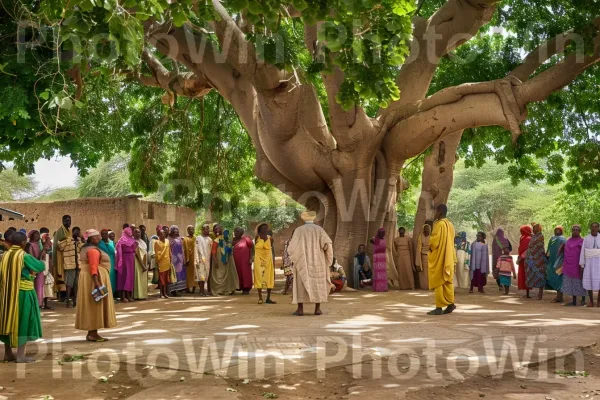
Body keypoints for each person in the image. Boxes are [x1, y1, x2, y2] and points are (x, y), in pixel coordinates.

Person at [0, 231, 46, 363]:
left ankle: (8, 353)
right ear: (23, 243)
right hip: (23, 293)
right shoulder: (23, 256)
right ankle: (20, 355)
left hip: (6, 294)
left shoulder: (4, 255)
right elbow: (39, 266)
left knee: (8, 321)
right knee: (23, 322)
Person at [287, 211, 333, 316]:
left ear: (303, 219)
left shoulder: (299, 230)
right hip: (318, 262)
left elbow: (291, 248)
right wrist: (328, 260)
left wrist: (294, 258)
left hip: (302, 261)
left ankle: (300, 309)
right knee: (318, 284)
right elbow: (327, 245)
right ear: (314, 218)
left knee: (300, 284)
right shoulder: (320, 230)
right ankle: (317, 309)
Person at [75, 229, 117, 342]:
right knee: (95, 305)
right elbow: (93, 267)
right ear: (91, 238)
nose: (99, 238)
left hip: (87, 278)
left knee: (90, 305)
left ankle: (91, 332)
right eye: (97, 237)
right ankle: (93, 333)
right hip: (93, 279)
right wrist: (97, 283)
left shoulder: (85, 248)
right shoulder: (93, 250)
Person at [427, 204, 457, 315]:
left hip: (440, 257)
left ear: (439, 213)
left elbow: (434, 242)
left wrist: (429, 242)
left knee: (438, 281)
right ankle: (450, 304)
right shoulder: (450, 224)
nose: (433, 214)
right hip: (449, 256)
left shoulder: (439, 224)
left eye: (435, 211)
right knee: (447, 281)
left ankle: (439, 307)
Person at [209, 225, 239, 296]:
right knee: (218, 274)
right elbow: (213, 252)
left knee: (226, 274)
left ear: (222, 229)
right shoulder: (216, 240)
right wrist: (215, 261)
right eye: (215, 229)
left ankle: (225, 290)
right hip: (218, 260)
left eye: (218, 229)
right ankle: (218, 290)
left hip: (225, 260)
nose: (216, 230)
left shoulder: (226, 239)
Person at [561, 225, 586, 306]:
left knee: (581, 281)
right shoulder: (568, 241)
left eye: (577, 230)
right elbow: (564, 252)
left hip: (578, 265)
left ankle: (583, 300)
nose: (575, 231)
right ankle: (574, 300)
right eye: (574, 230)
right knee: (571, 282)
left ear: (579, 231)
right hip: (568, 265)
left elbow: (584, 253)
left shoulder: (582, 241)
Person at [58, 226, 82, 308]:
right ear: (73, 232)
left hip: (78, 265)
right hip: (69, 265)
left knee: (76, 284)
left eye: (78, 232)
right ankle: (68, 301)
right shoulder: (68, 240)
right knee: (69, 284)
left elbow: (82, 249)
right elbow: (60, 247)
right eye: (76, 232)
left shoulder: (79, 241)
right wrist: (69, 241)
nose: (77, 233)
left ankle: (75, 301)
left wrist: (81, 240)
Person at [254, 223, 276, 304]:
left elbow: (271, 250)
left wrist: (273, 260)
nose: (265, 229)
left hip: (268, 260)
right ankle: (260, 298)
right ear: (260, 229)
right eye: (263, 228)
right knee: (258, 277)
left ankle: (268, 298)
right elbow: (254, 249)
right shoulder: (257, 238)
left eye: (266, 228)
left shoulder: (270, 239)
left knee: (269, 278)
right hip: (258, 260)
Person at [27, 230, 48, 309]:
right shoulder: (30, 245)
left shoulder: (38, 245)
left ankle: (39, 304)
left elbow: (42, 257)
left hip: (39, 269)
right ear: (32, 236)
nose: (38, 236)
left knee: (40, 287)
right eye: (36, 235)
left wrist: (44, 250)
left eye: (39, 235)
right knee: (35, 287)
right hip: (34, 270)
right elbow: (32, 259)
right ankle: (35, 305)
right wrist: (42, 251)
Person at [116, 227, 137, 303]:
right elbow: (118, 251)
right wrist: (119, 261)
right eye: (130, 231)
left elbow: (134, 250)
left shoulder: (132, 241)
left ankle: (128, 295)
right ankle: (123, 296)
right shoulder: (121, 241)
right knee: (123, 277)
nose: (131, 232)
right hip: (124, 261)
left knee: (129, 277)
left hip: (130, 260)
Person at [581, 222, 600, 307]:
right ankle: (591, 301)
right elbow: (583, 252)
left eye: (596, 227)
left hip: (599, 262)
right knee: (589, 281)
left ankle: (599, 301)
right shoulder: (586, 238)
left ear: (598, 228)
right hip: (589, 262)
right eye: (592, 227)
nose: (594, 228)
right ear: (590, 228)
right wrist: (582, 264)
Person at [52, 215, 71, 300]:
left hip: (67, 257)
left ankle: (66, 295)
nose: (68, 222)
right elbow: (60, 244)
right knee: (61, 275)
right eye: (66, 221)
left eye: (69, 221)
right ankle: (61, 295)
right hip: (60, 257)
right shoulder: (60, 231)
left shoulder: (68, 230)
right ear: (62, 221)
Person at [525, 223, 546, 300]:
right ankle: (529, 293)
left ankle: (540, 294)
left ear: (539, 229)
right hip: (531, 259)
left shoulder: (540, 236)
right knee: (531, 275)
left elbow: (540, 247)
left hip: (539, 259)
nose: (533, 229)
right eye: (533, 228)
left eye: (535, 228)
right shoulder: (533, 237)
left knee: (540, 276)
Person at [546, 226, 567, 303]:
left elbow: (566, 250)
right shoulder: (552, 239)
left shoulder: (563, 240)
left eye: (559, 230)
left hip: (560, 262)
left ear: (562, 231)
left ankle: (559, 297)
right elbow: (549, 250)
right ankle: (558, 296)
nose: (557, 231)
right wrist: (547, 257)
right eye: (556, 230)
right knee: (554, 278)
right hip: (552, 262)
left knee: (559, 278)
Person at [232, 227, 253, 295]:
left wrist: (251, 258)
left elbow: (251, 248)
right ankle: (237, 287)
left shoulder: (246, 239)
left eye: (238, 232)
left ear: (241, 233)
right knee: (237, 273)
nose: (236, 233)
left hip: (245, 261)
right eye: (235, 231)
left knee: (245, 274)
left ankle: (246, 288)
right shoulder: (233, 240)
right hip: (235, 261)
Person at [98, 229, 117, 297]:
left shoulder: (112, 242)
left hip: (112, 262)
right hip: (103, 263)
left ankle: (111, 296)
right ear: (101, 235)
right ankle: (104, 295)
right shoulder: (99, 243)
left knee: (112, 279)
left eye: (106, 233)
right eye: (103, 234)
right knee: (104, 279)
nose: (104, 235)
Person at [153, 228, 172, 299]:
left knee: (166, 279)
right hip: (161, 263)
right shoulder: (157, 242)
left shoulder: (167, 241)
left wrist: (170, 258)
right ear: (158, 235)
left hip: (167, 262)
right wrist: (157, 263)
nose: (162, 234)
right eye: (161, 234)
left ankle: (165, 293)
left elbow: (169, 250)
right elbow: (157, 253)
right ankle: (161, 293)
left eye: (163, 233)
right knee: (161, 280)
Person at [195, 224, 212, 297]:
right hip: (200, 261)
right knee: (201, 275)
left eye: (208, 229)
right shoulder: (198, 238)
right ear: (202, 230)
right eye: (206, 229)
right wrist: (197, 260)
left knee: (206, 275)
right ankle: (202, 291)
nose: (207, 230)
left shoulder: (209, 239)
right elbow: (196, 249)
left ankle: (204, 291)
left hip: (207, 260)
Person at [168, 226, 186, 295]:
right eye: (174, 232)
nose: (175, 234)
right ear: (171, 232)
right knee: (172, 275)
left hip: (179, 262)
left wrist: (183, 260)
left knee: (178, 276)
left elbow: (182, 250)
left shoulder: (180, 239)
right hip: (172, 261)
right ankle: (171, 290)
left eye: (177, 232)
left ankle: (177, 290)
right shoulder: (168, 240)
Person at [517, 225, 533, 298]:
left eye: (522, 231)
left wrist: (521, 257)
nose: (521, 232)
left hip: (527, 259)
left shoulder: (529, 238)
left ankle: (528, 293)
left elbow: (528, 249)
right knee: (525, 274)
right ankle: (527, 293)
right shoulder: (523, 238)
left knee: (527, 274)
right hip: (522, 258)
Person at [414, 223, 432, 290]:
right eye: (425, 229)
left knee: (429, 272)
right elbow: (419, 247)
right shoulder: (420, 237)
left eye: (427, 229)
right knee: (423, 272)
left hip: (430, 256)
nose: (426, 230)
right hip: (422, 256)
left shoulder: (431, 237)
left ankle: (430, 285)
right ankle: (424, 286)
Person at [370, 228, 388, 292]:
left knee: (382, 272)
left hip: (382, 257)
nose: (383, 234)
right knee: (378, 272)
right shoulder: (375, 240)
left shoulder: (384, 239)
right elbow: (370, 241)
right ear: (379, 233)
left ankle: (383, 287)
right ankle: (378, 287)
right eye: (381, 232)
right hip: (377, 257)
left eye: (383, 233)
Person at [40, 233, 55, 309]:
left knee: (47, 287)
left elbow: (50, 259)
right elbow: (41, 259)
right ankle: (41, 303)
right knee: (42, 287)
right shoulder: (41, 248)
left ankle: (45, 304)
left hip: (47, 268)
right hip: (42, 269)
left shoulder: (49, 248)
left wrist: (50, 270)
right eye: (47, 239)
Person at [133, 228, 148, 300]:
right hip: (137, 262)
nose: (138, 233)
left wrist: (145, 264)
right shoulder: (133, 242)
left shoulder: (142, 242)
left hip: (144, 262)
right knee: (137, 277)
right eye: (136, 232)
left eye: (139, 232)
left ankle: (143, 294)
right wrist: (142, 265)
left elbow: (145, 253)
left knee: (143, 279)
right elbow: (137, 254)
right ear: (133, 233)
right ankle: (137, 295)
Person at [183, 225, 197, 293]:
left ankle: (194, 288)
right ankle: (187, 288)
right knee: (188, 274)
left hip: (195, 258)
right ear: (187, 231)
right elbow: (184, 250)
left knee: (195, 273)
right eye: (190, 229)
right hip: (188, 259)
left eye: (192, 229)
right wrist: (186, 259)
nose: (191, 231)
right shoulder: (185, 239)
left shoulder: (196, 238)